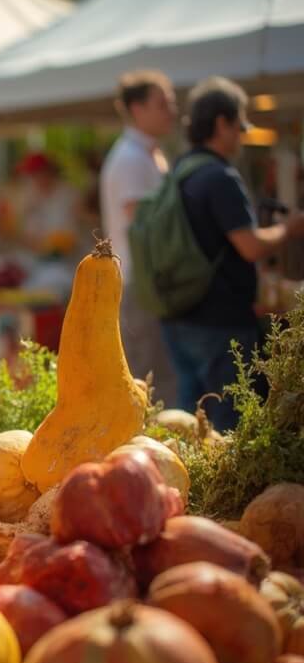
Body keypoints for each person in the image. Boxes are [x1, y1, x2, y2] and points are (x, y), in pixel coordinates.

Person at [161, 76, 304, 430]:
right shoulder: (219, 176)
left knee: (187, 423)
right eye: (239, 127)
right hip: (220, 321)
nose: (241, 136)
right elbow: (250, 245)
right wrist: (288, 229)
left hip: (179, 313)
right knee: (229, 426)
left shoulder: (180, 170)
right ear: (221, 123)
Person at [100, 69, 179, 405]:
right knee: (149, 381)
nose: (172, 111)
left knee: (159, 377)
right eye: (163, 103)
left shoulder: (148, 154)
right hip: (139, 282)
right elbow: (145, 224)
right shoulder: (130, 158)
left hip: (150, 282)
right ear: (137, 110)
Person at [17, 152, 79, 256]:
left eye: (34, 174)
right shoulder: (31, 196)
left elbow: (72, 234)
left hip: (67, 259)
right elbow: (27, 233)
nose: (31, 180)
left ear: (47, 172)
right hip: (39, 258)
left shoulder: (68, 194)